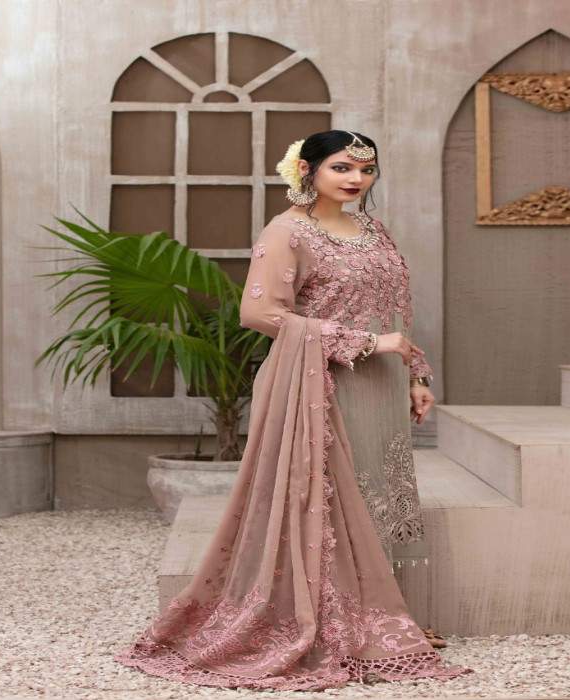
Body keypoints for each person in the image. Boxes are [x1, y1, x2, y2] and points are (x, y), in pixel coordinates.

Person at [113, 130, 474, 691]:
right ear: (308, 170)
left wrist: (416, 374)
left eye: (366, 169)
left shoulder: (373, 230)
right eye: (341, 167)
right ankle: (335, 627)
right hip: (320, 384)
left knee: (374, 496)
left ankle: (379, 621)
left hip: (380, 382)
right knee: (331, 503)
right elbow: (259, 313)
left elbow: (394, 309)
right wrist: (366, 343)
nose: (356, 179)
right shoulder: (287, 231)